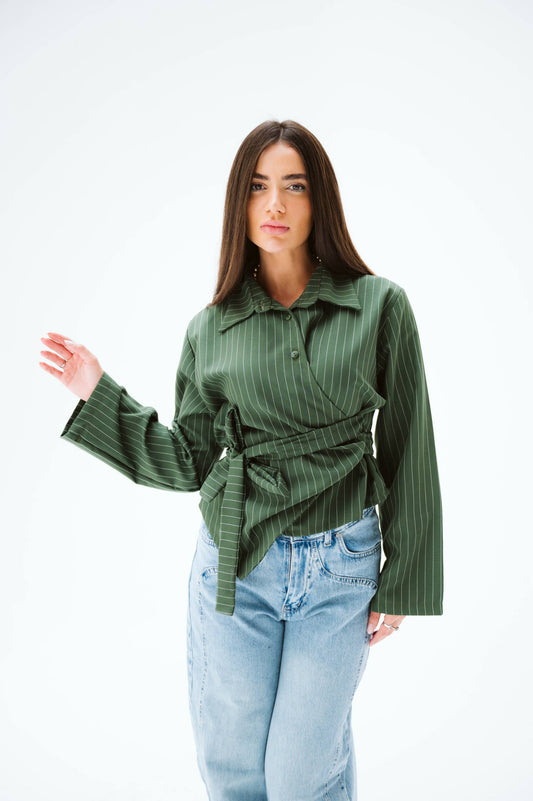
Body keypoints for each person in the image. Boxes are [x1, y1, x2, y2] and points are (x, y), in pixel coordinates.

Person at [39, 119, 443, 801]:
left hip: (340, 566)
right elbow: (187, 459)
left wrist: (403, 578)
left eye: (294, 186)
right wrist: (96, 391)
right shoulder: (211, 327)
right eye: (258, 187)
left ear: (320, 200)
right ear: (240, 203)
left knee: (300, 774)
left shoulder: (379, 306)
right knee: (233, 772)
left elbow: (409, 441)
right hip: (236, 562)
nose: (275, 205)